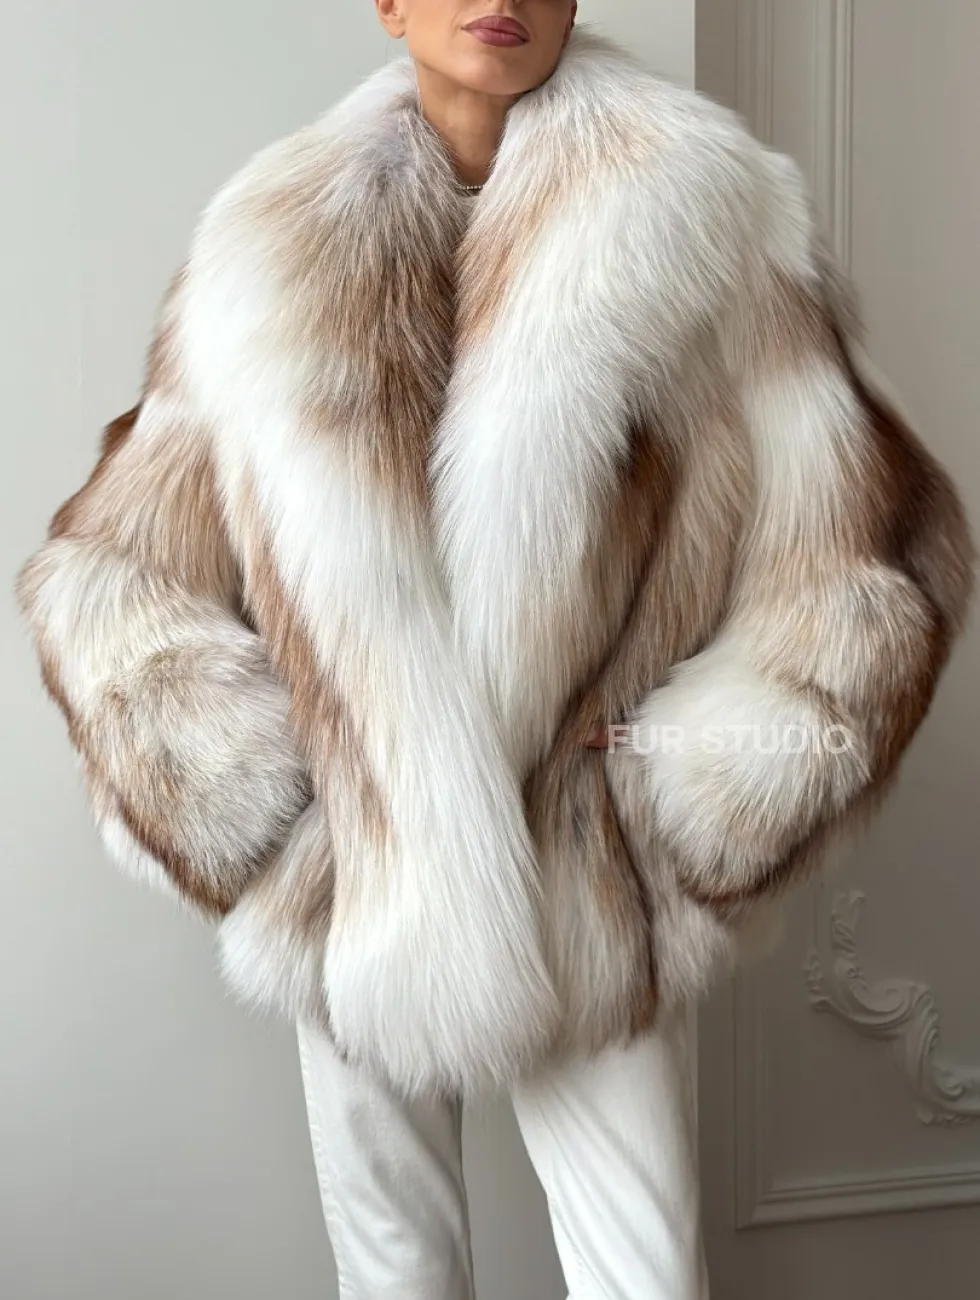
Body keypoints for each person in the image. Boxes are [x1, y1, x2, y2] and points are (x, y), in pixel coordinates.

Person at [16, 2, 974, 1297]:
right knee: (393, 1268)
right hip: (357, 865)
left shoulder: (708, 211)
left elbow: (866, 559)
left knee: (644, 1270)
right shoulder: (266, 243)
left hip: (592, 869)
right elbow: (116, 572)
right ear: (387, 3)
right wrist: (269, 799)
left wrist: (686, 791)